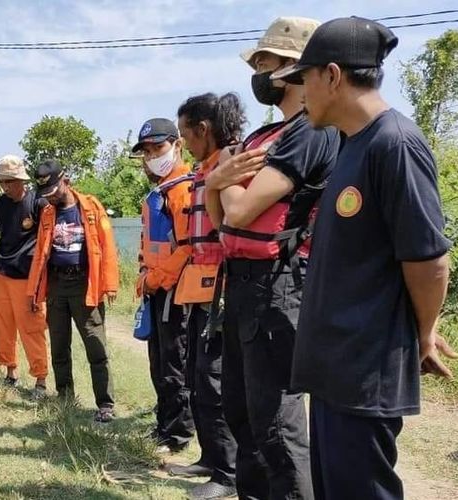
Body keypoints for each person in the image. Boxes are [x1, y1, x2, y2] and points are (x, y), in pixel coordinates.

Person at [272, 17, 456, 500]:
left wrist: (424, 331)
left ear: (332, 75)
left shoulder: (395, 144)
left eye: (303, 79)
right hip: (337, 368)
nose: (300, 94)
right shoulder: (354, 144)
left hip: (365, 370)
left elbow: (430, 260)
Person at [204, 17, 340, 499]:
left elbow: (237, 209)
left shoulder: (310, 132)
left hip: (279, 284)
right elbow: (222, 224)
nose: (258, 75)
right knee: (241, 412)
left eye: (265, 64)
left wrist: (220, 182)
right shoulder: (266, 137)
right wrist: (218, 185)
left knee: (276, 424)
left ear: (295, 69)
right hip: (242, 282)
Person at [172, 93, 246, 499]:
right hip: (201, 284)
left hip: (225, 283)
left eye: (186, 133)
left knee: (216, 378)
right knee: (199, 372)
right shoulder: (205, 168)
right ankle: (210, 456)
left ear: (204, 129)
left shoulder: (232, 162)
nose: (183, 142)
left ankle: (228, 474)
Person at [27, 160, 119, 422]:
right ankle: (65, 397)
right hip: (56, 285)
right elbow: (40, 256)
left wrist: (110, 284)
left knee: (95, 345)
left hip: (84, 285)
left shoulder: (90, 207)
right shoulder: (47, 214)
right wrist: (34, 292)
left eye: (53, 190)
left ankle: (105, 404)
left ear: (65, 180)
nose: (50, 197)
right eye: (45, 194)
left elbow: (107, 246)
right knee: (58, 345)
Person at [132, 118, 195, 454]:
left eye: (158, 147)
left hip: (176, 291)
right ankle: (164, 423)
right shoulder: (159, 191)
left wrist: (155, 278)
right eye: (146, 150)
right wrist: (143, 272)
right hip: (156, 289)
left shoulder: (183, 189)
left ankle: (178, 434)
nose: (152, 155)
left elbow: (187, 247)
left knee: (174, 363)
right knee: (158, 360)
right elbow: (151, 242)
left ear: (177, 145)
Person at [0, 155, 49, 398]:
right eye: (3, 182)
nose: (6, 187)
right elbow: (4, 233)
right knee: (3, 326)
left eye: (11, 181)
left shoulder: (38, 202)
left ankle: (41, 380)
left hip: (28, 278)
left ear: (21, 180)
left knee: (32, 328)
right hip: (3, 273)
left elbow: (47, 240)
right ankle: (10, 371)